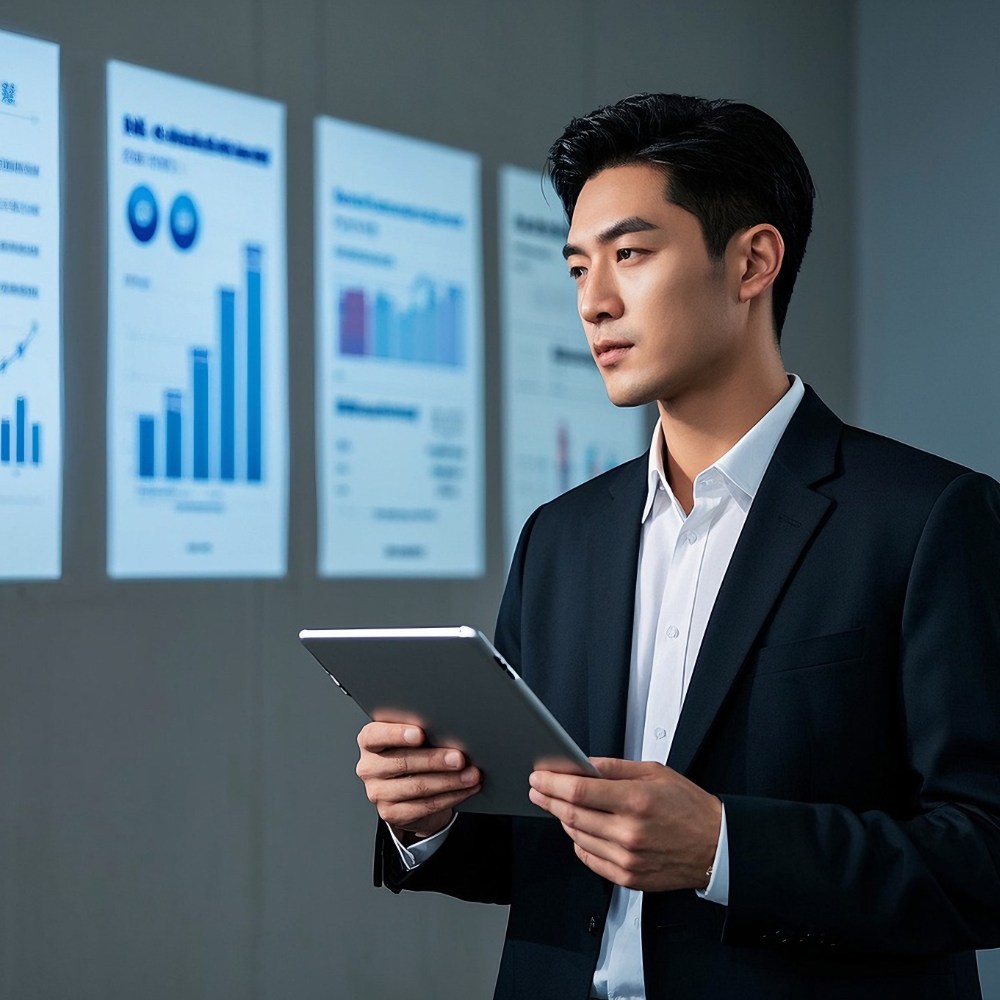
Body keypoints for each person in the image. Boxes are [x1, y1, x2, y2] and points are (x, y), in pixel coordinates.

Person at [355, 93, 1000, 999]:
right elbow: (546, 854)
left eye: (629, 254)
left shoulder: (927, 518)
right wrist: (429, 817)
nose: (594, 302)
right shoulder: (560, 537)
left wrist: (725, 848)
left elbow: (984, 854)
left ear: (753, 262)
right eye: (578, 267)